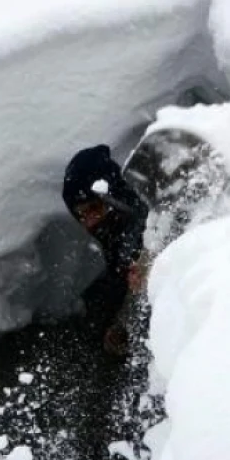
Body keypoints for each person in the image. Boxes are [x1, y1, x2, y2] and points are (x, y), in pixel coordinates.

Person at [61, 144, 151, 353]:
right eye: (81, 216)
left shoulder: (143, 224)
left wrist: (125, 325)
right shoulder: (113, 233)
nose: (90, 222)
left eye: (94, 207)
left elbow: (140, 278)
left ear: (113, 198)